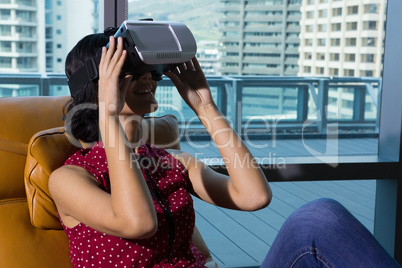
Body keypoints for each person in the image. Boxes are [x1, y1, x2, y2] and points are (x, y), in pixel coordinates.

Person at [49, 29, 400, 268]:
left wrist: (205, 107)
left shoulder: (171, 163)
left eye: (151, 72)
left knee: (319, 218)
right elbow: (138, 222)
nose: (148, 79)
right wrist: (108, 116)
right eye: (130, 70)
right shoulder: (70, 179)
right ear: (98, 84)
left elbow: (252, 196)